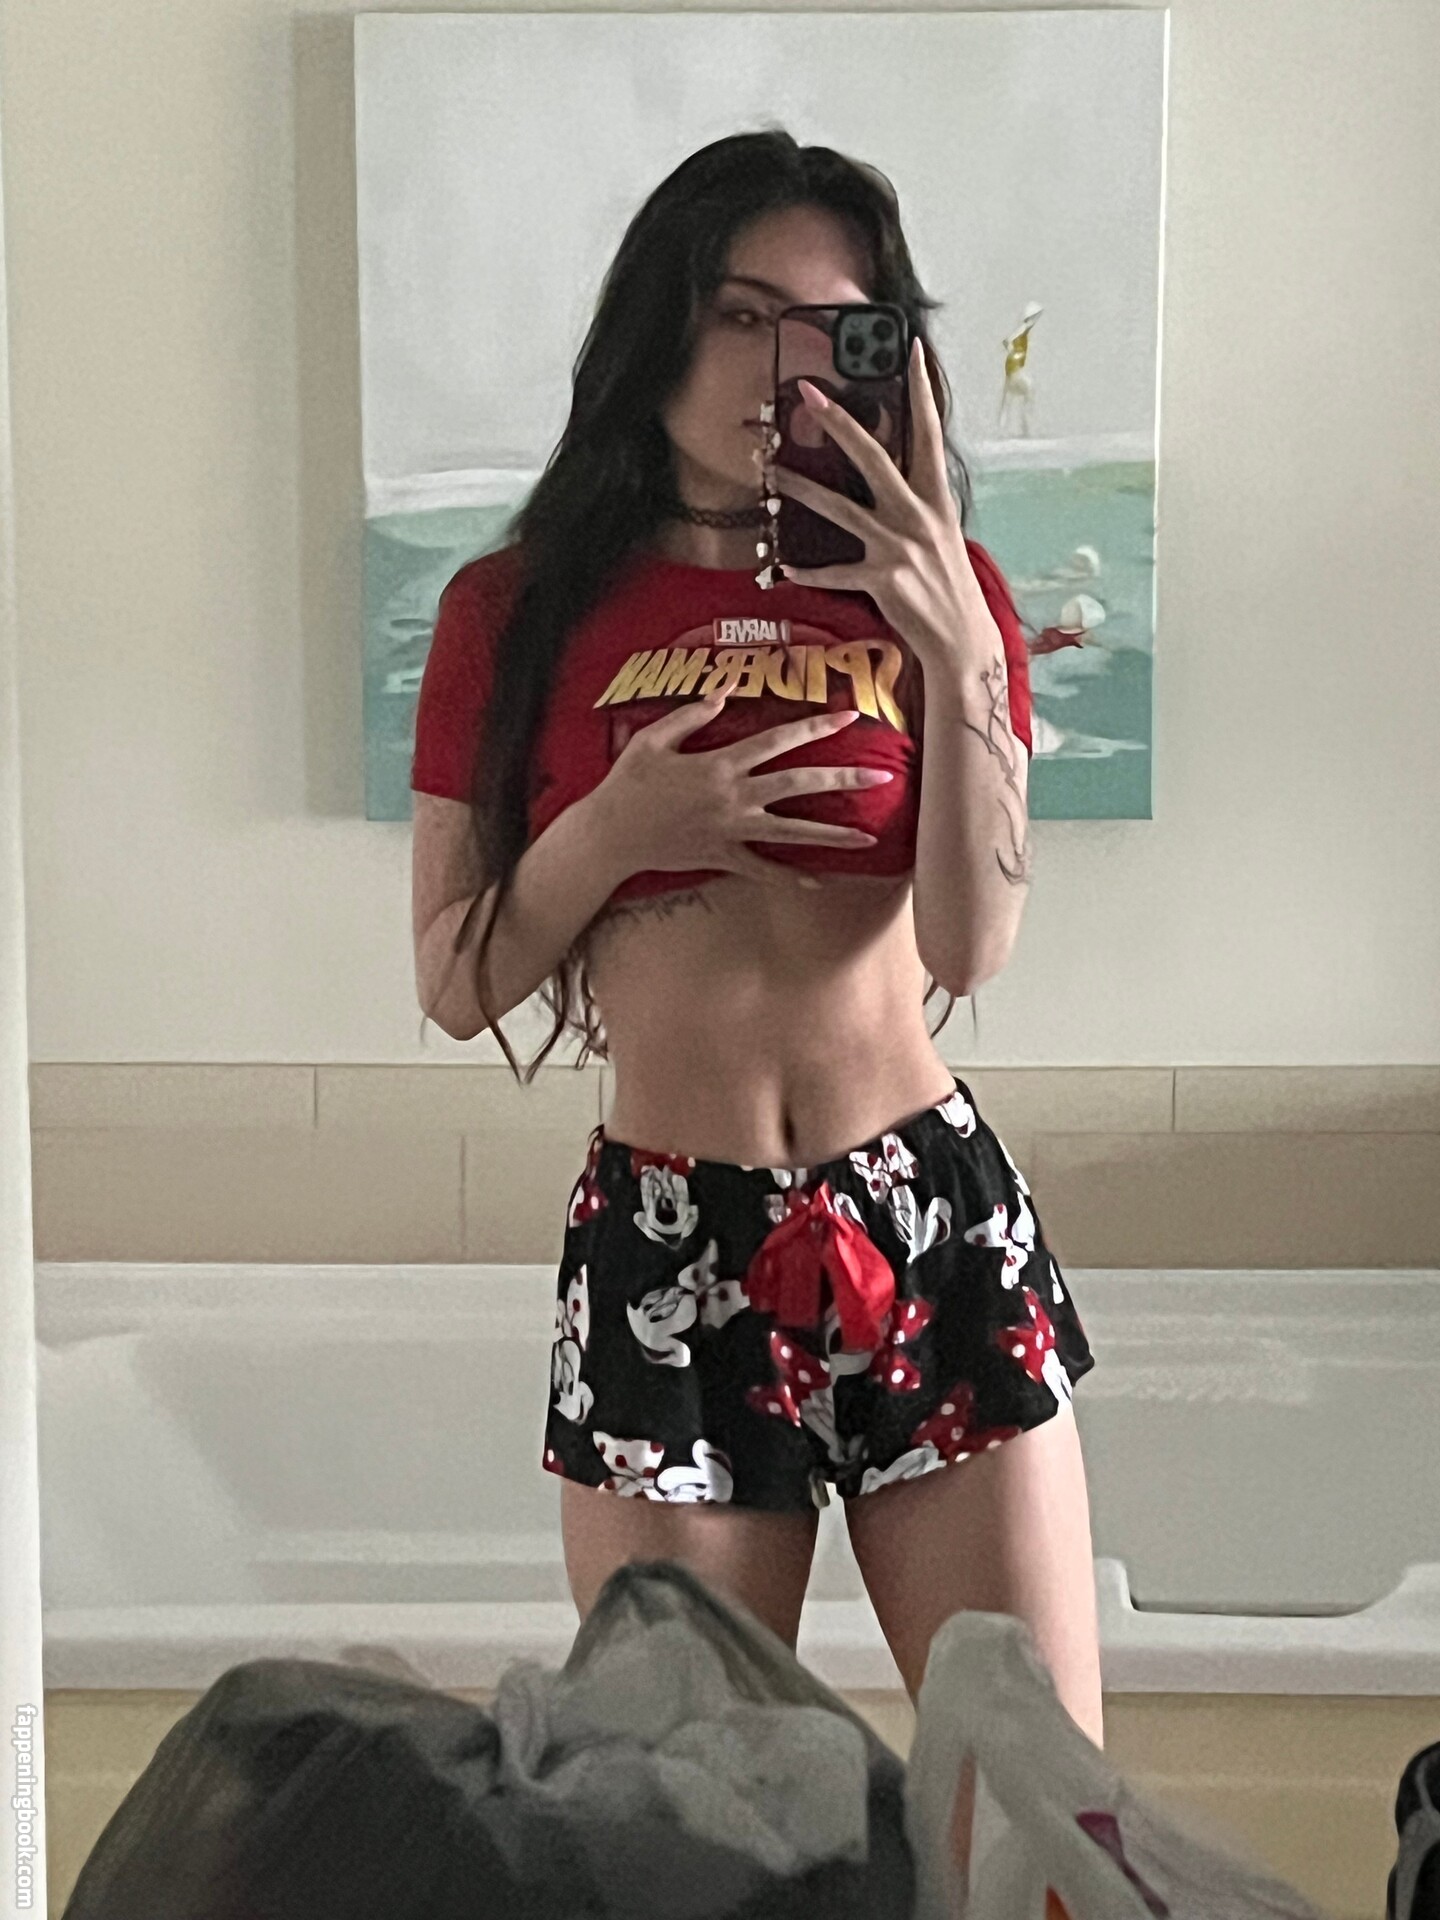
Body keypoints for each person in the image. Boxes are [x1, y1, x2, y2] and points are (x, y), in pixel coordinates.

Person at [410, 130, 1104, 1752]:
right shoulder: (512, 610)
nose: (777, 370)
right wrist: (616, 832)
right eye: (736, 316)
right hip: (670, 1242)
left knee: (1039, 1786)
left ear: (885, 358)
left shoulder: (948, 595)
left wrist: (956, 648)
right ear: (655, 329)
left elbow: (972, 943)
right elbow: (455, 980)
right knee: (683, 1811)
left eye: (827, 331)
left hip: (921, 1216)